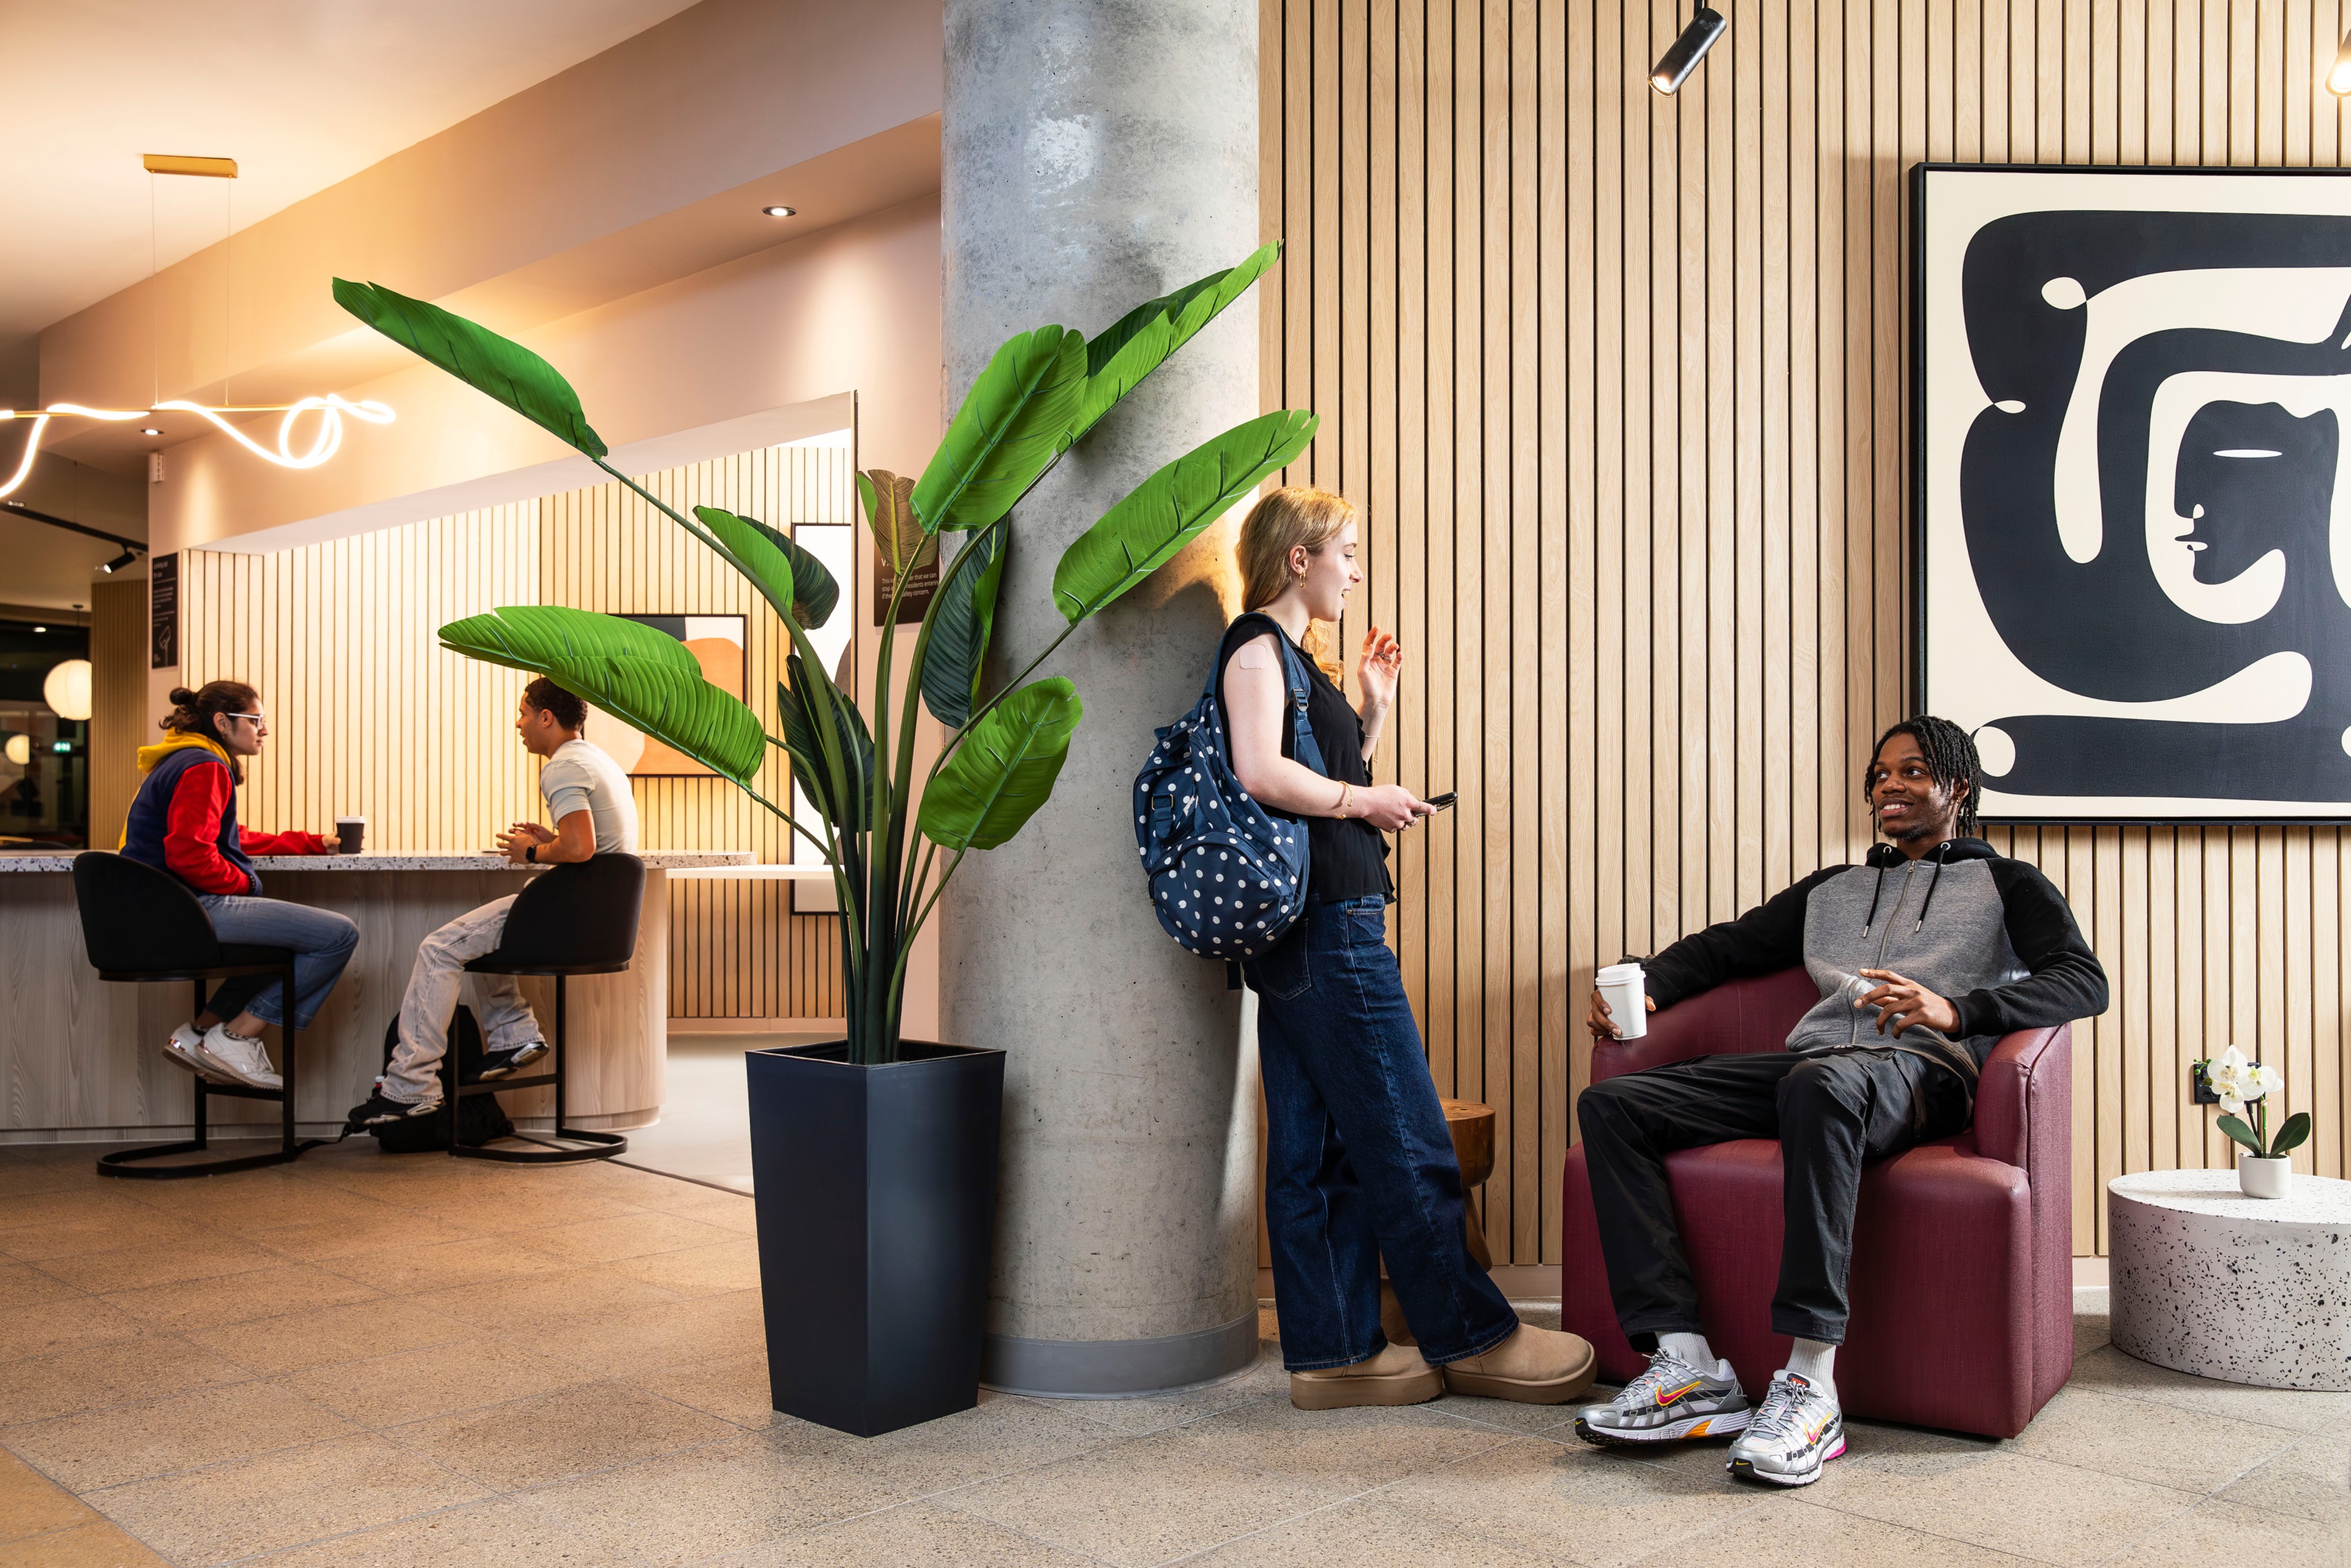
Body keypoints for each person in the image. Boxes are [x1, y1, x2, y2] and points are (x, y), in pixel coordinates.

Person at [1572, 717, 2108, 1487]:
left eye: (1915, 771)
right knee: (1616, 1104)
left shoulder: (2007, 883)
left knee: (1819, 1084)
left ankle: (1809, 1383)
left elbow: (2084, 981)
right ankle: (1688, 1363)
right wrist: (1641, 977)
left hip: (1919, 1070)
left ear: (1958, 788)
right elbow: (1729, 944)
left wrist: (1960, 1009)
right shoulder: (1834, 889)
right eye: (1882, 772)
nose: (1892, 783)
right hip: (1815, 1066)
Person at [1222, 485, 1597, 1411]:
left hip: (1315, 931)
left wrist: (1370, 708)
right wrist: (1366, 801)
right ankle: (1473, 1338)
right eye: (1345, 550)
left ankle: (1336, 1350)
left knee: (1319, 1149)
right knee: (1404, 1133)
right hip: (1331, 930)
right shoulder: (1254, 647)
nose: (1355, 568)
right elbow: (1259, 772)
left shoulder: (1296, 661)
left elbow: (1325, 776)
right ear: (1297, 557)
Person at [347, 677, 636, 1127]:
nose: (518, 723)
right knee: (475, 943)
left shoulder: (562, 766)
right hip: (595, 917)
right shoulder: (598, 760)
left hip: (567, 910)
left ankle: (410, 1088)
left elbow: (580, 849)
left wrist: (534, 851)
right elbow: (594, 844)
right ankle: (515, 1034)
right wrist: (551, 839)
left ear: (546, 717)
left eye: (524, 713)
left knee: (439, 949)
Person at [122, 681, 356, 1090]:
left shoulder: (183, 760)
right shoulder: (205, 767)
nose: (264, 730)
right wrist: (244, 884)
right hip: (186, 909)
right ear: (222, 722)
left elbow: (227, 836)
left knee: (275, 942)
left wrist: (307, 843)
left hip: (156, 910)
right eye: (256, 720)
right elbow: (190, 854)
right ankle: (237, 1037)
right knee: (338, 935)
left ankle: (198, 1035)